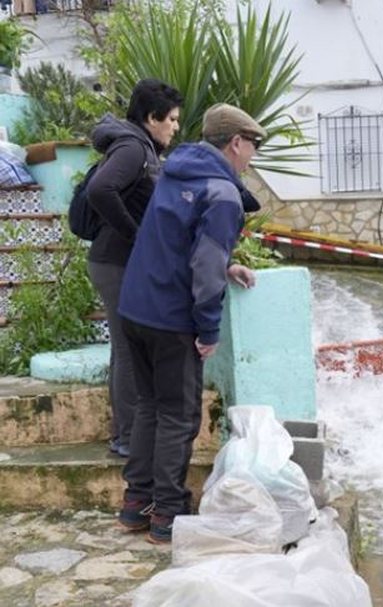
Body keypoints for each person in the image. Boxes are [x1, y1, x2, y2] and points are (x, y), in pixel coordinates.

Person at [116, 103, 264, 544]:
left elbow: (178, 242)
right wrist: (208, 328)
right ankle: (167, 512)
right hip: (171, 318)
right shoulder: (222, 192)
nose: (253, 154)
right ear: (236, 142)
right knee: (179, 417)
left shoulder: (174, 171)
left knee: (148, 406)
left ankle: (135, 503)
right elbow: (203, 260)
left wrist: (226, 267)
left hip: (134, 309)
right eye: (253, 145)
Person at [86, 79, 183, 459]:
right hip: (116, 263)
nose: (175, 127)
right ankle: (126, 437)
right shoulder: (132, 147)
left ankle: (125, 432)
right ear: (151, 117)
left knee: (124, 348)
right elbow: (99, 190)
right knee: (128, 349)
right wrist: (137, 236)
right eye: (171, 119)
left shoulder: (139, 146)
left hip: (115, 261)